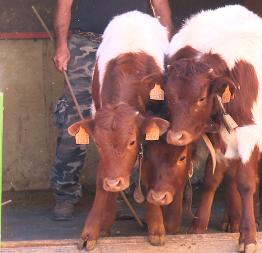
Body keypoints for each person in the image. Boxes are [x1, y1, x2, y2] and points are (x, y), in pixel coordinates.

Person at [50, 0, 173, 221]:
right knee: (76, 117)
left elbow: (161, 9)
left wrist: (165, 48)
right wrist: (62, 45)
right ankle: (65, 194)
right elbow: (64, 6)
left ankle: (122, 191)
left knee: (133, 123)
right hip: (87, 45)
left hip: (129, 48)